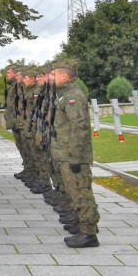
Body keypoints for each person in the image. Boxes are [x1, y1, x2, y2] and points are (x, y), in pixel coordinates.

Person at [49, 58, 100, 248]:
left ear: (63, 75)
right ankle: (82, 226)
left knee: (81, 193)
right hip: (64, 153)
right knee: (73, 193)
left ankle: (89, 234)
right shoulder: (63, 94)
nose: (50, 78)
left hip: (73, 155)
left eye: (53, 75)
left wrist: (75, 156)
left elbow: (80, 128)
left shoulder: (73, 96)